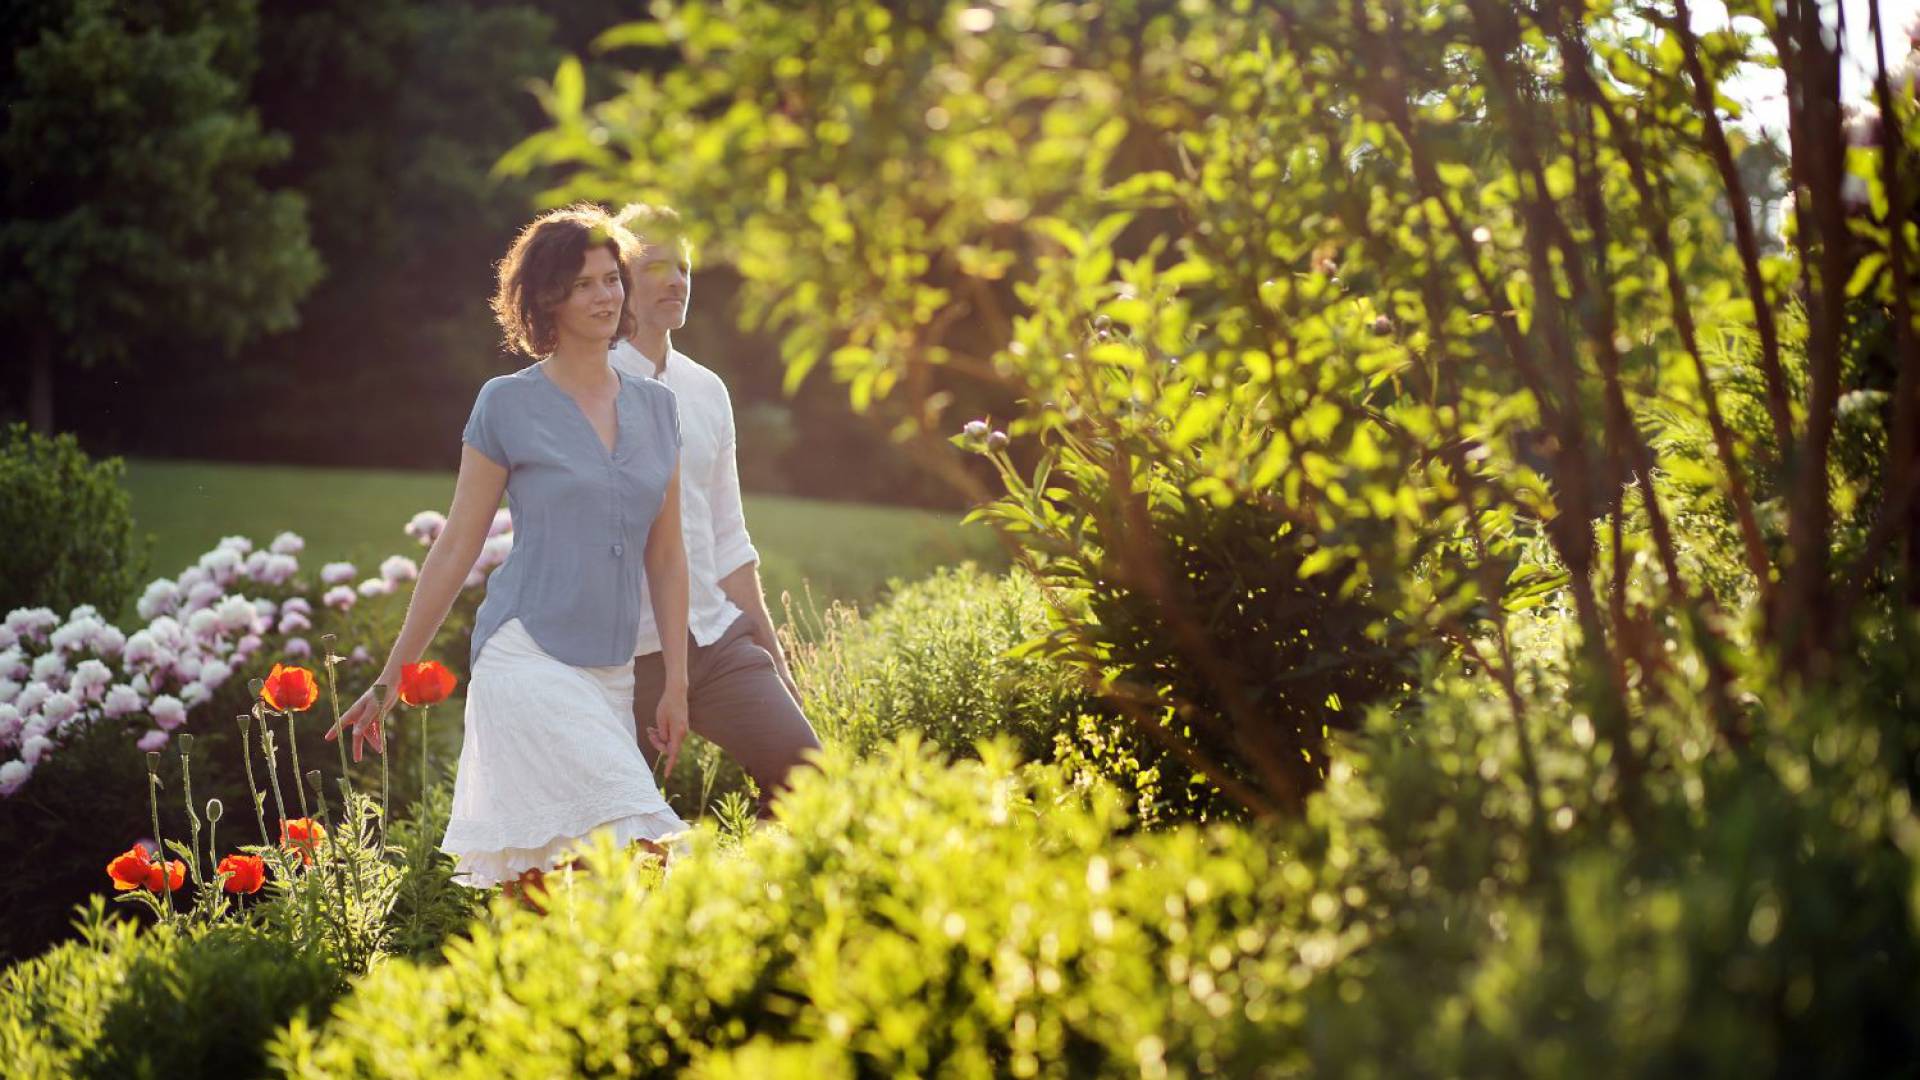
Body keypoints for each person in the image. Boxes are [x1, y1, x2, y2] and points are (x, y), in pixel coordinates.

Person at [327, 204, 691, 888]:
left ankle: (549, 993)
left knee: (551, 878)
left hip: (610, 672)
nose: (606, 295)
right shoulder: (505, 404)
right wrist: (389, 678)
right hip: (525, 652)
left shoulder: (658, 409)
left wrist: (675, 682)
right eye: (584, 283)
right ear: (546, 298)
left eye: (611, 278)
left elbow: (667, 557)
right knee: (635, 846)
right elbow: (456, 546)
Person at [609, 203, 821, 816]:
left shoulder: (707, 390)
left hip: (715, 636)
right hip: (628, 653)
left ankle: (751, 902)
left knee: (809, 782)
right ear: (620, 280)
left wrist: (771, 650)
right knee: (611, 835)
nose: (676, 280)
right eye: (655, 266)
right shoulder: (591, 387)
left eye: (684, 266)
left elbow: (728, 534)